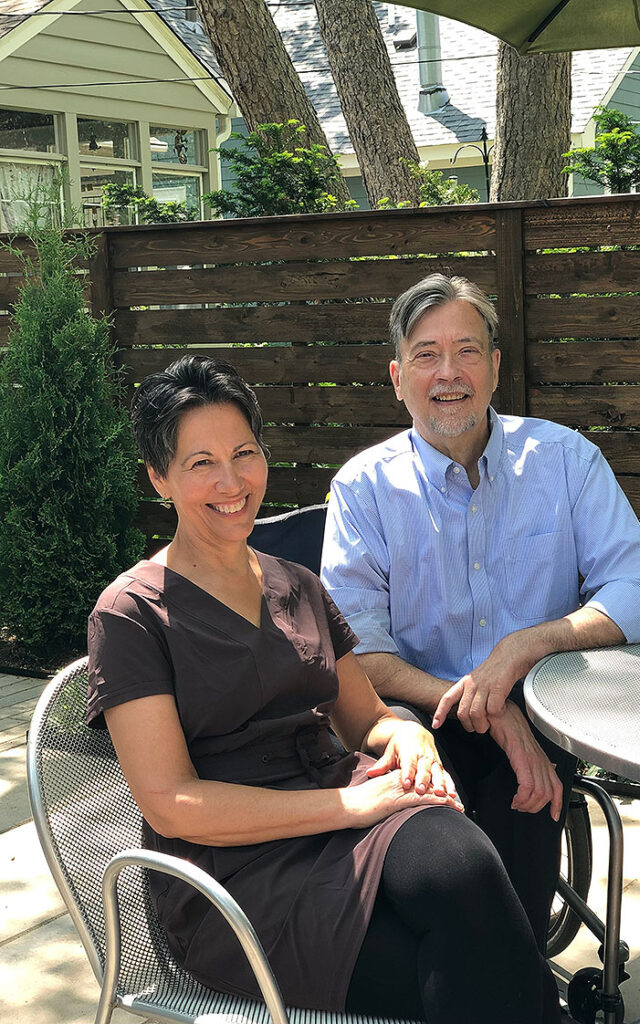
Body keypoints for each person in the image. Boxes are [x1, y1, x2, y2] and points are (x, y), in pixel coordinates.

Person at [87, 354, 565, 1024]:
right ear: (159, 477)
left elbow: (364, 719)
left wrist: (407, 733)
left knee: (466, 872)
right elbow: (173, 805)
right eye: (200, 463)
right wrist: (350, 805)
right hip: (232, 876)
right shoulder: (131, 615)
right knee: (482, 967)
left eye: (243, 453)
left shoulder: (295, 583)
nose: (231, 481)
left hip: (341, 805)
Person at [321, 274, 640, 953]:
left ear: (496, 367)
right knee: (435, 832)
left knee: (522, 791)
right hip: (416, 709)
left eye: (467, 351)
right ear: (397, 376)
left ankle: (499, 984)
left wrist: (521, 649)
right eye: (426, 354)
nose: (447, 373)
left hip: (541, 705)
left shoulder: (565, 461)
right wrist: (483, 703)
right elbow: (359, 656)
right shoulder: (363, 488)